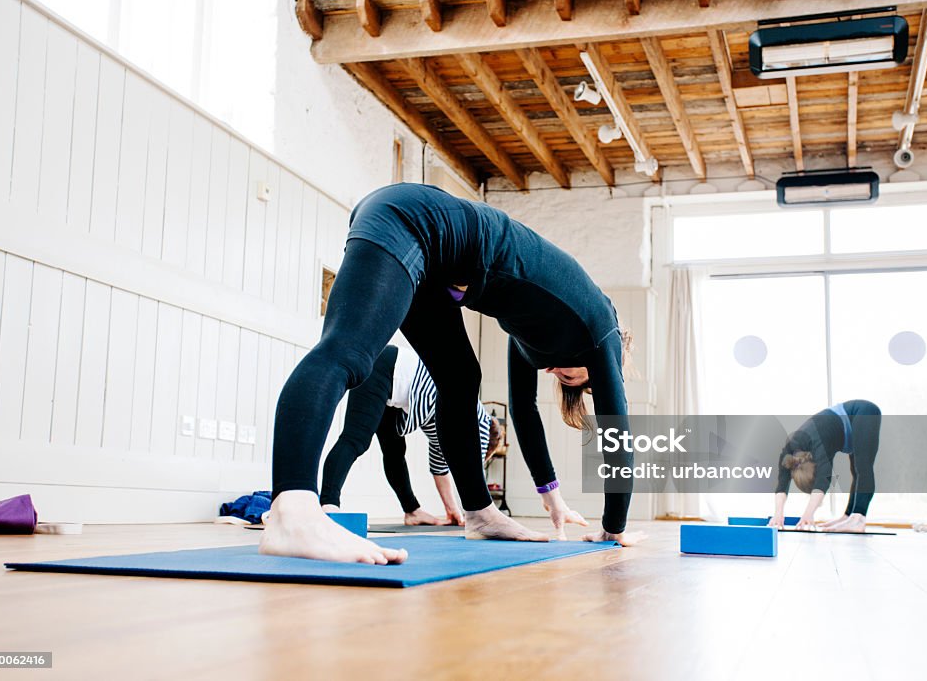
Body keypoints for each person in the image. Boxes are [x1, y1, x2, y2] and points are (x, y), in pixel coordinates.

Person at [260, 183, 642, 564]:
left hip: (434, 264)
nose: (555, 372)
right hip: (412, 220)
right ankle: (292, 511)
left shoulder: (533, 337)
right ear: (598, 367)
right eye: (569, 377)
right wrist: (615, 524)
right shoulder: (602, 329)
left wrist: (551, 498)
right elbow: (616, 430)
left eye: (563, 379)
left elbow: (524, 413)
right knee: (348, 353)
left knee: (459, 379)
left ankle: (479, 512)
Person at [318, 344, 502, 527]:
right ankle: (328, 505)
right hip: (385, 368)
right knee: (355, 439)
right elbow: (473, 466)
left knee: (394, 452)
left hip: (393, 384)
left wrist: (453, 511)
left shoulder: (450, 428)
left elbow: (440, 468)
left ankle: (412, 511)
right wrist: (477, 512)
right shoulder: (479, 423)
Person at [769, 399, 882, 532]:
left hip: (863, 413)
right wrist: (778, 513)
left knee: (862, 466)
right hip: (848, 427)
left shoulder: (819, 446)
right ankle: (848, 516)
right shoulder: (788, 454)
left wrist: (808, 514)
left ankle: (858, 518)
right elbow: (781, 486)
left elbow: (822, 483)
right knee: (855, 471)